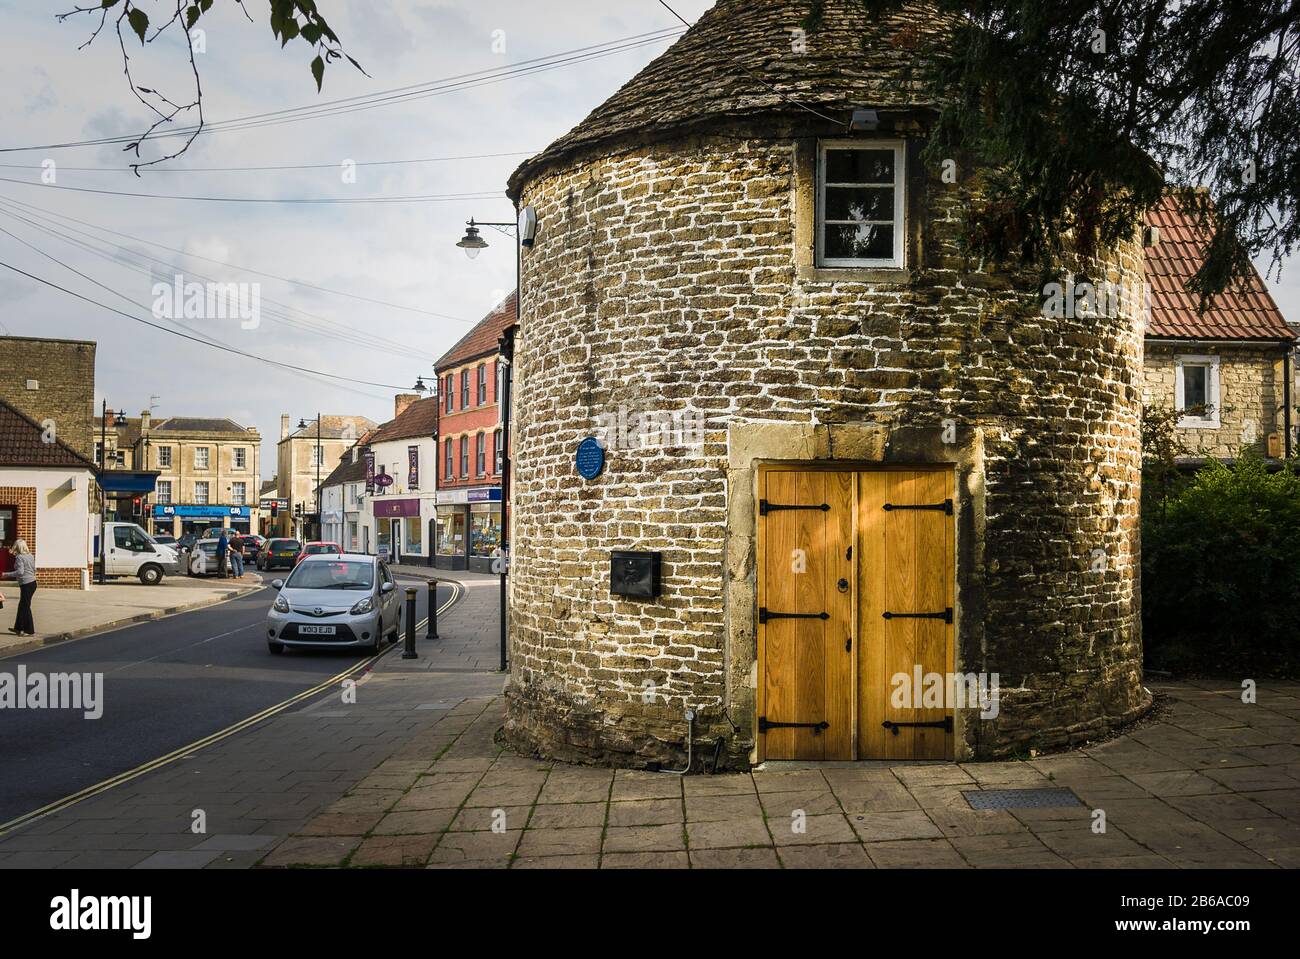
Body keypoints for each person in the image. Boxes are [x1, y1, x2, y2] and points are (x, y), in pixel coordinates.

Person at [3, 540, 37, 636]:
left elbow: (20, 572)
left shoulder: (19, 557)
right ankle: (19, 628)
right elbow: (34, 569)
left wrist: (5, 574)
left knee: (25, 607)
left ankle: (29, 631)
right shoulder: (30, 555)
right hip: (32, 583)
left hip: (26, 584)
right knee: (22, 605)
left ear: (17, 547)